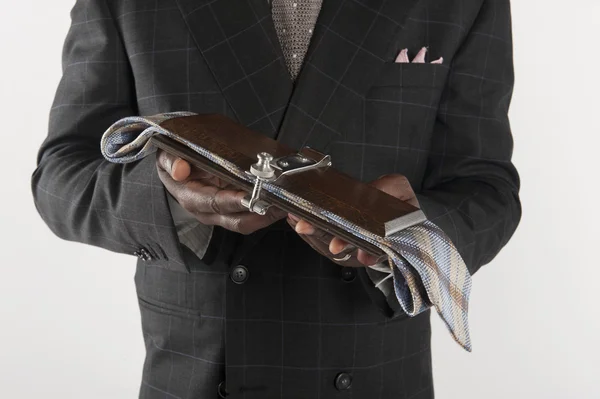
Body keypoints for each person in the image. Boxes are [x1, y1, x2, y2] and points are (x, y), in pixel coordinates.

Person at [31, 0, 521, 397]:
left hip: (375, 369)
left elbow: (486, 185)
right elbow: (61, 176)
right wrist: (172, 202)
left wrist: (407, 233)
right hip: (198, 375)